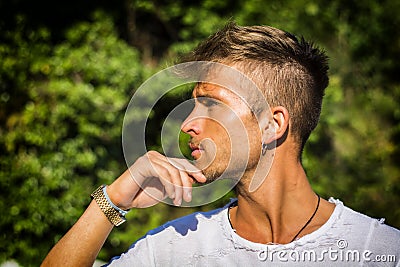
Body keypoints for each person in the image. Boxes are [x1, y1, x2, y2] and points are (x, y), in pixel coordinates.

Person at [41, 22, 400, 266]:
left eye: (211, 103)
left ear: (273, 124)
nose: (186, 124)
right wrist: (112, 202)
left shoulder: (380, 251)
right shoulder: (171, 248)